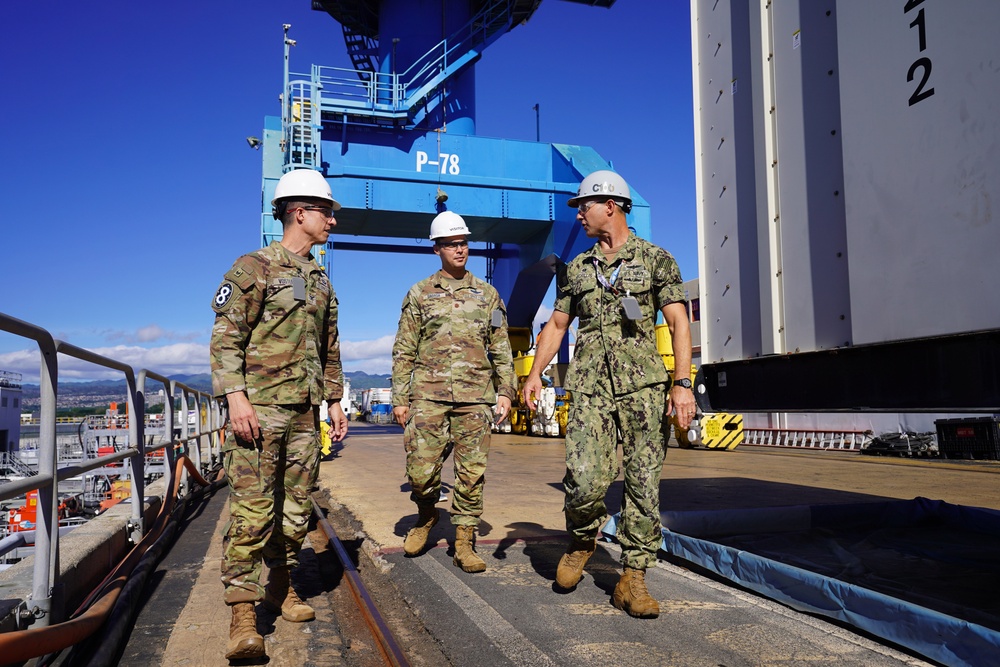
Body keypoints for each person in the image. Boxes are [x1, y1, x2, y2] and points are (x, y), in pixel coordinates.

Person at [522, 170, 696, 619]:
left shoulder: (657, 259)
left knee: (642, 486)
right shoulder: (578, 268)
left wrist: (682, 384)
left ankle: (632, 577)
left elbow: (679, 324)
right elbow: (557, 326)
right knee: (582, 480)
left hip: (644, 390)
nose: (579, 214)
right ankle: (582, 540)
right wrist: (534, 374)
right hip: (590, 390)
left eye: (585, 206)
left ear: (611, 206)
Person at [210, 168, 349, 659]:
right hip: (260, 410)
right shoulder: (255, 266)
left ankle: (281, 585)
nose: (332, 219)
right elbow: (226, 338)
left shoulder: (320, 280)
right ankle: (243, 617)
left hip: (305, 415)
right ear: (300, 212)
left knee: (294, 512)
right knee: (251, 513)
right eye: (326, 211)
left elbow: (329, 348)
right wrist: (236, 398)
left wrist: (334, 400)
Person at [391, 210, 517, 573]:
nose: (460, 249)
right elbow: (404, 348)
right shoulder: (419, 294)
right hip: (427, 396)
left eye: (463, 243)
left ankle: (464, 541)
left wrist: (505, 391)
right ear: (437, 249)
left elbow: (500, 347)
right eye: (451, 244)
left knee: (471, 472)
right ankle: (427, 514)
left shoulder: (488, 295)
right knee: (420, 471)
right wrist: (401, 398)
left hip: (476, 396)